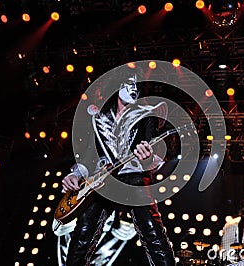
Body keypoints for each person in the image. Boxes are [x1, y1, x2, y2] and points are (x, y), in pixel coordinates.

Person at [61, 71, 176, 266]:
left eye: (138, 86)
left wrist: (147, 158)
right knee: (82, 235)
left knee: (151, 230)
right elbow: (89, 156)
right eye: (129, 83)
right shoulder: (99, 118)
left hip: (133, 176)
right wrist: (74, 174)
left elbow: (150, 152)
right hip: (101, 180)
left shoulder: (146, 116)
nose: (134, 89)